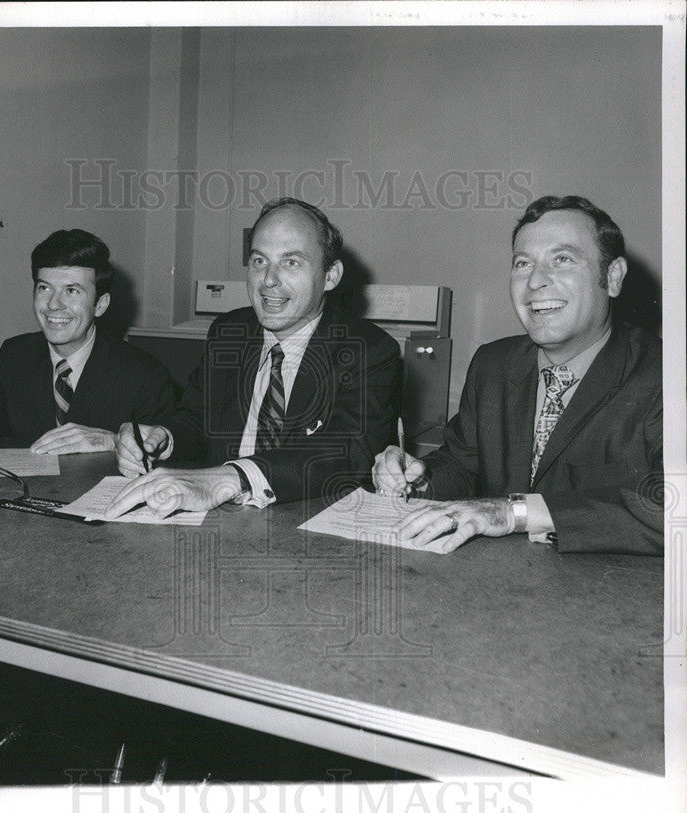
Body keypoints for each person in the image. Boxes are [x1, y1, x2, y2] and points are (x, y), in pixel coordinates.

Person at [372, 195, 663, 556]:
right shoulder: (493, 364)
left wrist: (515, 512)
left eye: (562, 259)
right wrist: (417, 478)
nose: (536, 281)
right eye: (523, 263)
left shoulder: (667, 376)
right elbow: (462, 464)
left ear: (613, 276)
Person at [108, 198, 401, 518]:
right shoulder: (229, 332)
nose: (269, 280)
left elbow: (346, 454)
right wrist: (165, 437)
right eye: (259, 261)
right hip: (216, 519)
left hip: (305, 527)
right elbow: (197, 420)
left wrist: (234, 478)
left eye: (291, 263)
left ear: (330, 275)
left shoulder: (368, 350)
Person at [0, 229, 176, 452]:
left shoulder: (143, 374)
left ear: (100, 304)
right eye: (44, 288)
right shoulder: (16, 356)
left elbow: (180, 451)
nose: (53, 304)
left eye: (71, 291)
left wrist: (115, 442)